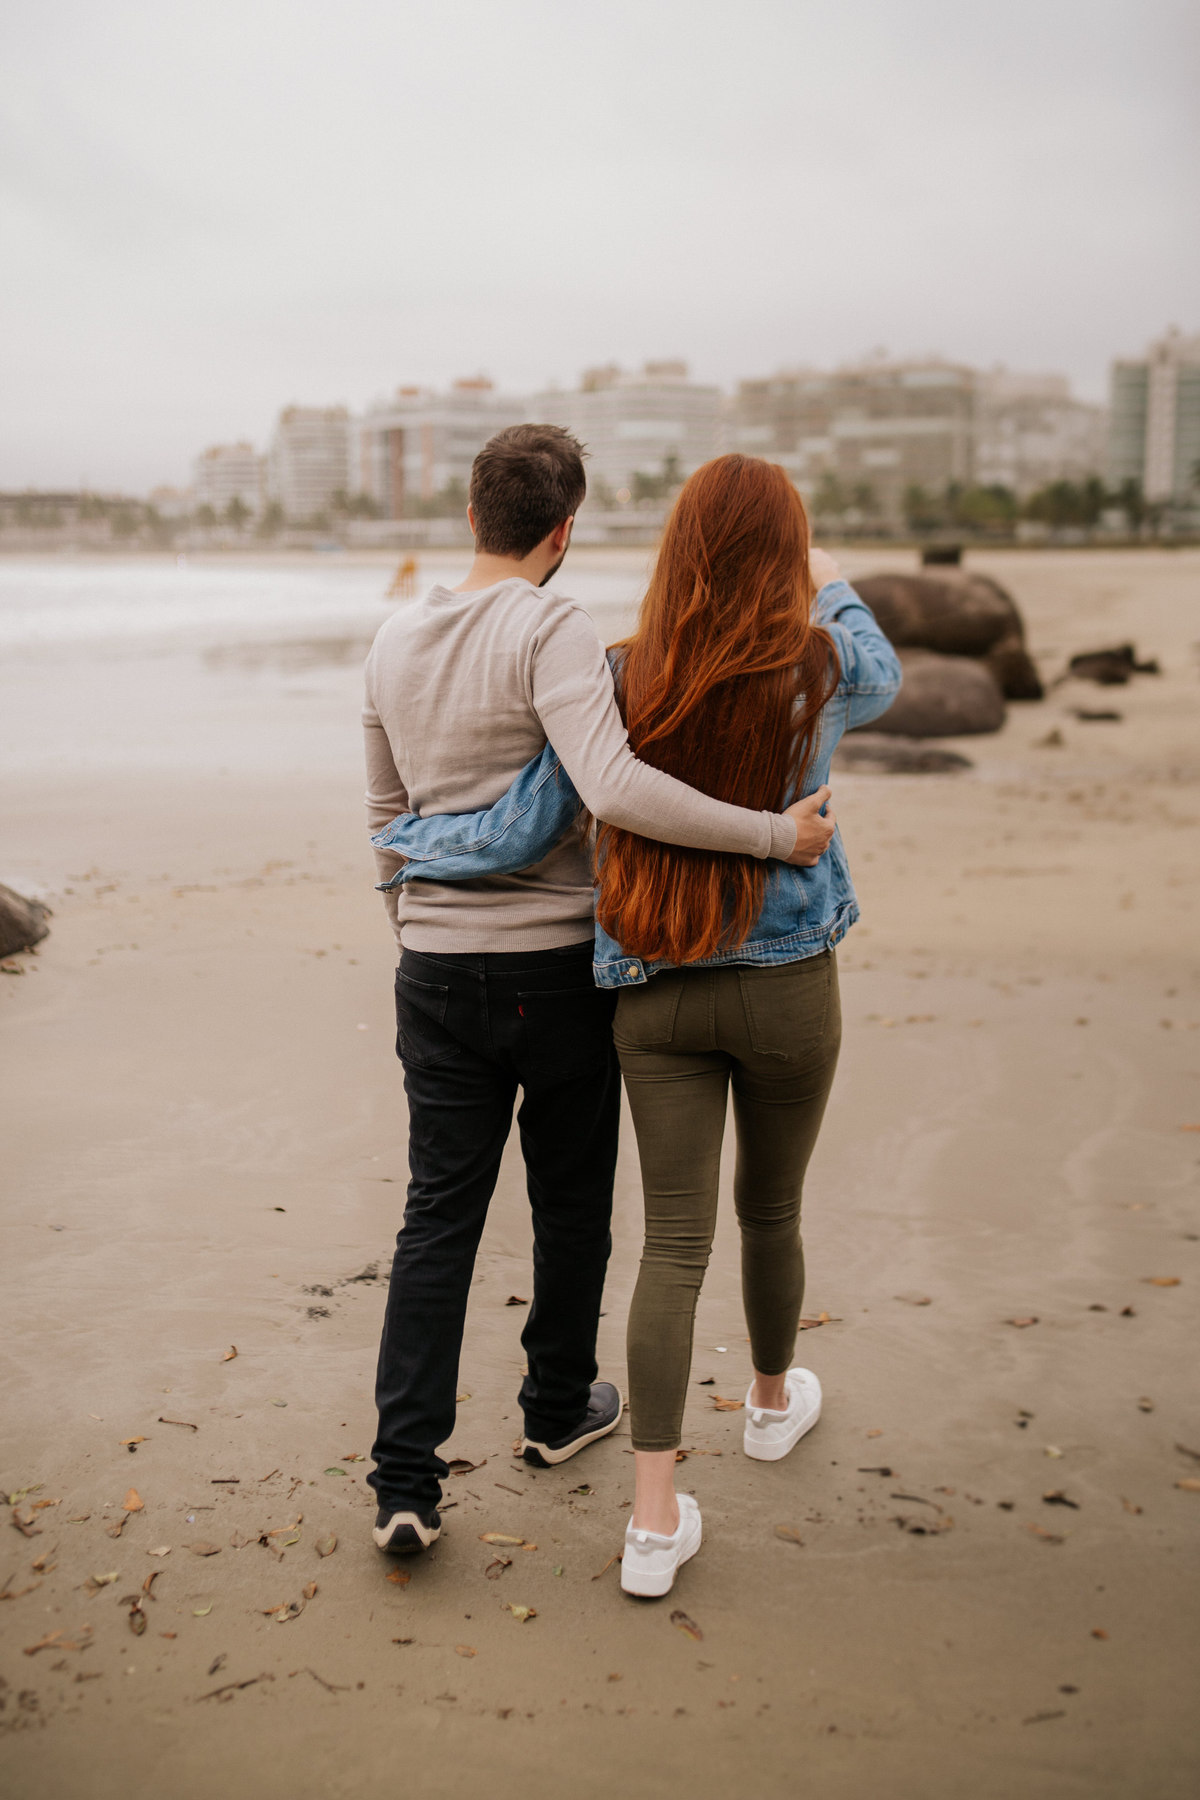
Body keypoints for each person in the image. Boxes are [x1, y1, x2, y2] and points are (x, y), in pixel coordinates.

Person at [374, 454, 902, 1593]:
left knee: (649, 1239)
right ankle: (758, 1405)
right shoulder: (820, 664)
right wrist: (831, 576)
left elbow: (535, 799)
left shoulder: (621, 667)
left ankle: (639, 1520)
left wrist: (409, 885)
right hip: (766, 974)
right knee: (759, 1205)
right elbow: (883, 674)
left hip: (639, 984)